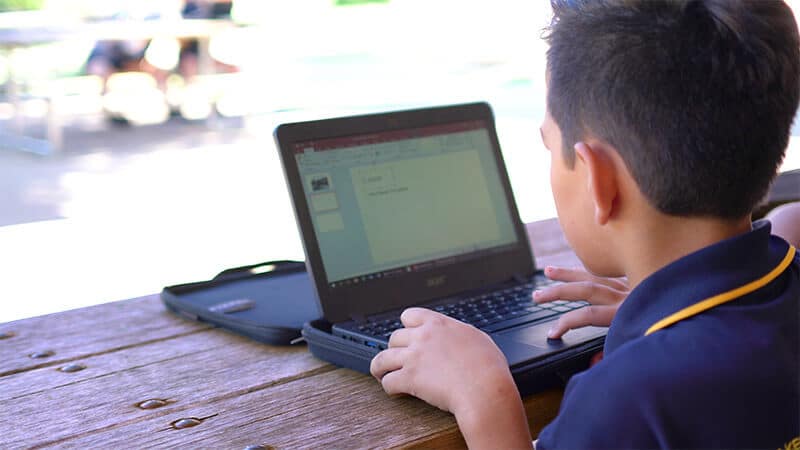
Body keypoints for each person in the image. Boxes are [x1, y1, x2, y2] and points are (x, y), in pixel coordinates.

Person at [369, 0, 800, 448]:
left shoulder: (628, 399)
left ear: (599, 179)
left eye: (550, 146)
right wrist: (662, 307)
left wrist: (484, 396)